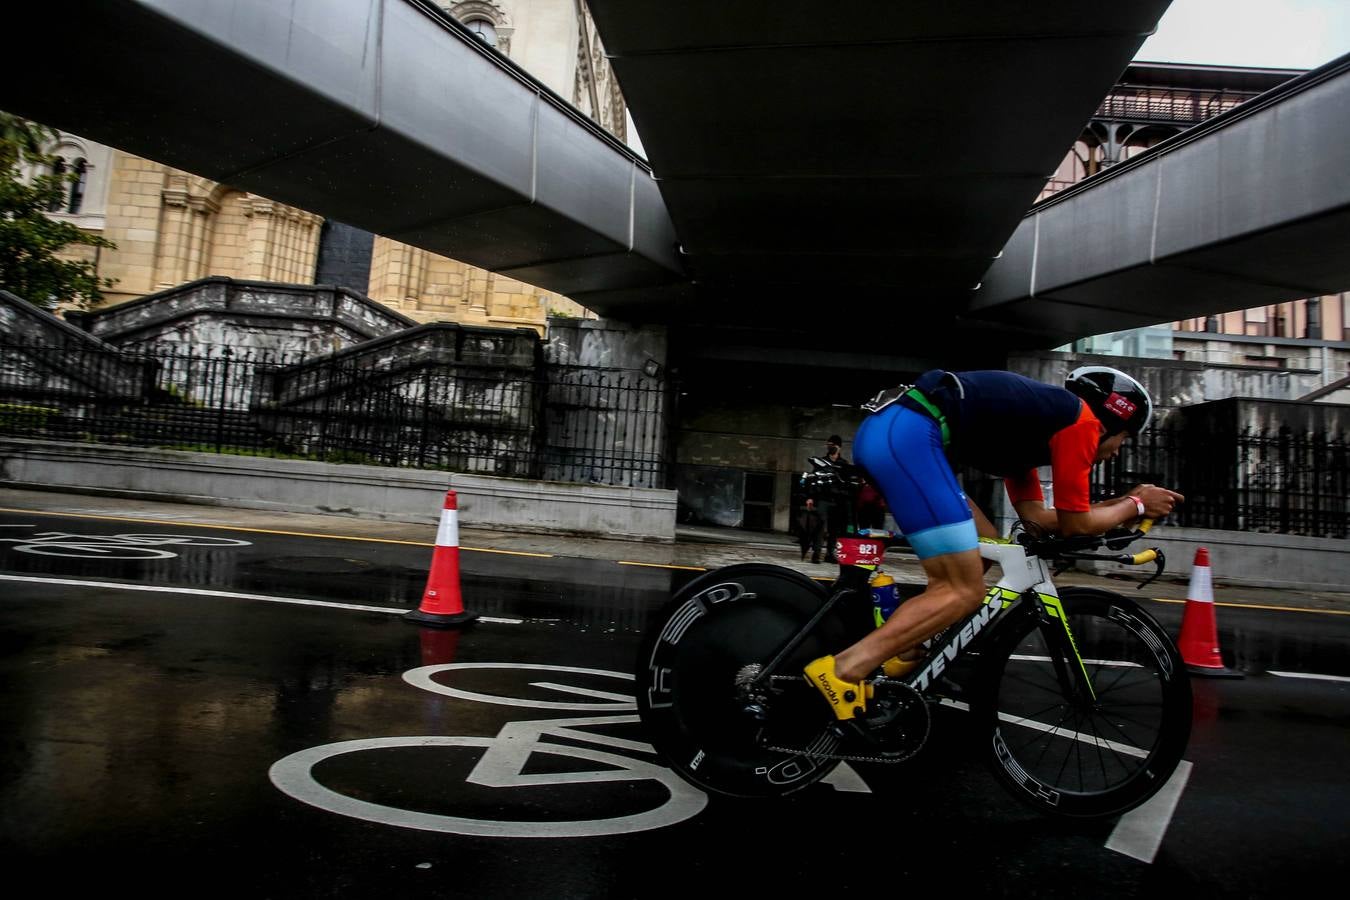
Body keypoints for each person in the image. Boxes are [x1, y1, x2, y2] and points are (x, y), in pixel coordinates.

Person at [804, 366, 1184, 721]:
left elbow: (1037, 519)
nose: (1117, 450)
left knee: (982, 553)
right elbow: (1076, 522)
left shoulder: (1035, 436)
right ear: (1111, 421)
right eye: (1123, 439)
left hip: (899, 433)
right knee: (963, 589)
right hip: (908, 435)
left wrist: (1118, 508)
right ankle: (843, 671)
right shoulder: (1082, 421)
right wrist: (1135, 503)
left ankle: (904, 652)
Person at [802, 435, 849, 563]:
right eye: (828, 444)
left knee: (834, 528)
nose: (829, 447)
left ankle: (830, 553)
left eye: (832, 445)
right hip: (823, 498)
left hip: (838, 500)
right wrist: (810, 497)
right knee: (820, 526)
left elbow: (846, 483)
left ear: (838, 447)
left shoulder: (843, 464)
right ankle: (816, 553)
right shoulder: (820, 462)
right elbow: (813, 479)